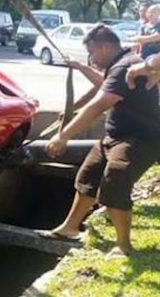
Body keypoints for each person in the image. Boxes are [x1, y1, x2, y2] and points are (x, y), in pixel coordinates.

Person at [41, 24, 160, 258]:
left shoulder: (124, 65)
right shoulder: (120, 63)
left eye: (93, 52)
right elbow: (101, 86)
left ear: (106, 47)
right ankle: (70, 228)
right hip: (115, 135)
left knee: (115, 178)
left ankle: (124, 245)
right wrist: (80, 71)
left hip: (141, 138)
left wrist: (63, 135)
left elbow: (98, 105)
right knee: (88, 177)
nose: (92, 58)